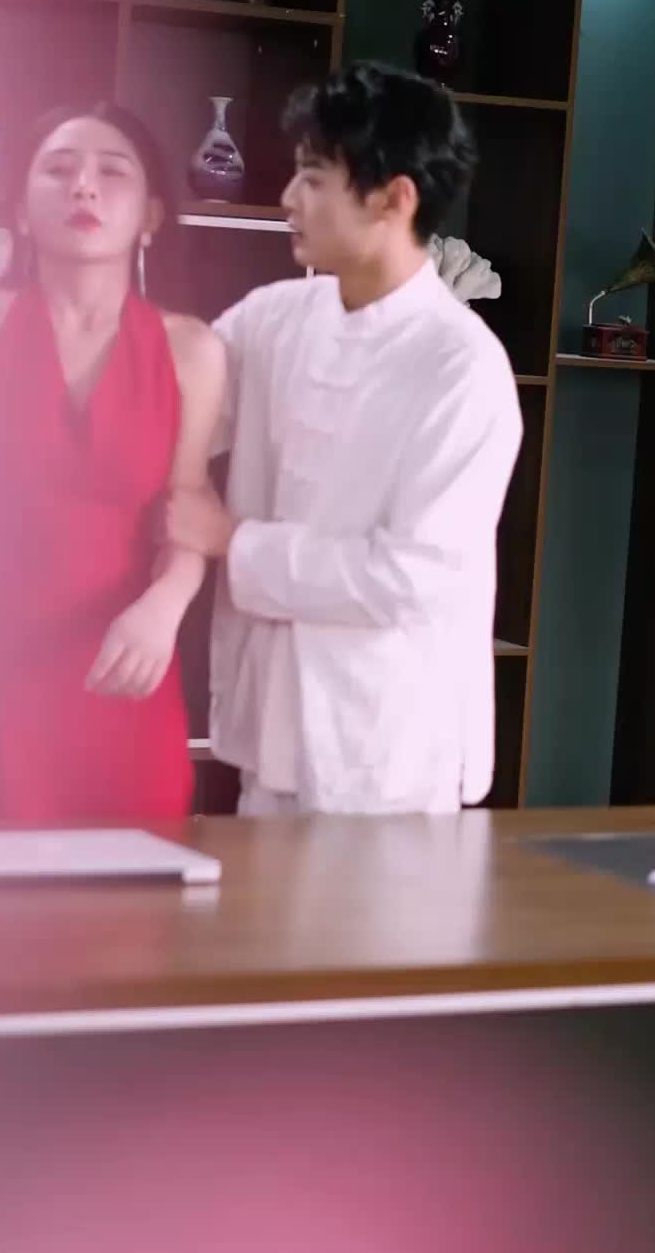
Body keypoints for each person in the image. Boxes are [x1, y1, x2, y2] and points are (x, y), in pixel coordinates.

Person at [167, 61, 523, 816]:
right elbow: (174, 409)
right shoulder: (273, 317)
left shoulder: (463, 367)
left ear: (395, 198)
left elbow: (410, 577)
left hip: (391, 754)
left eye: (313, 178)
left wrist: (233, 540)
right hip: (272, 735)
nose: (289, 199)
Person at [0, 103, 225, 822]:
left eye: (112, 172)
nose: (84, 187)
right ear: (20, 212)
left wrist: (164, 609)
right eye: (59, 170)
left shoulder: (192, 350)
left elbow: (188, 516)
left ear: (151, 216)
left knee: (134, 891)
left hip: (128, 680)